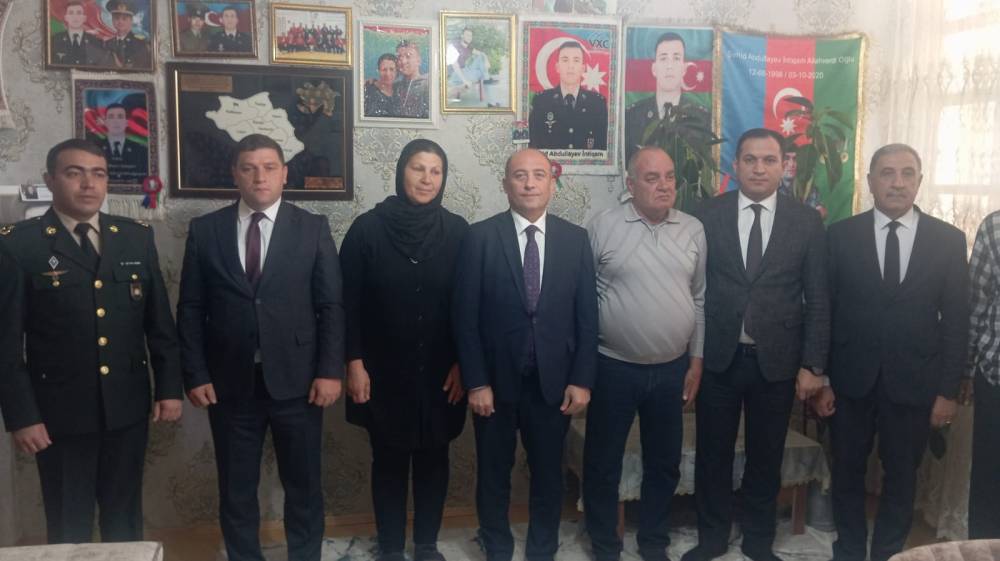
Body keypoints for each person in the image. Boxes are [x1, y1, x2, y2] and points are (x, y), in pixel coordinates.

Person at [0, 138, 182, 543]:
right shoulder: (18, 244)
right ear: (50, 179)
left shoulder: (135, 237)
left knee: (125, 520)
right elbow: (6, 344)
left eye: (98, 174)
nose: (88, 184)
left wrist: (170, 388)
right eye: (74, 173)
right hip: (59, 415)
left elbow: (159, 325)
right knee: (69, 524)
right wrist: (22, 415)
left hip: (127, 409)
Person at [176, 134, 345, 561]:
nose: (259, 177)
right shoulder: (206, 231)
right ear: (235, 174)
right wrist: (195, 373)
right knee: (236, 489)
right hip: (230, 384)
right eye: (249, 168)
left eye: (269, 167)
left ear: (285, 174)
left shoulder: (312, 228)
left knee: (304, 486)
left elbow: (330, 305)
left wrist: (330, 371)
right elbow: (191, 308)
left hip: (299, 382)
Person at [811, 144, 969, 561]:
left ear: (919, 180)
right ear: (870, 181)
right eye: (887, 173)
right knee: (847, 471)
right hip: (849, 381)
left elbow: (957, 321)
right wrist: (822, 378)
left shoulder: (948, 240)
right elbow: (824, 311)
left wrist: (947, 392)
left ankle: (888, 554)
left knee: (902, 477)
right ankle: (848, 550)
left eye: (907, 173)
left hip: (915, 382)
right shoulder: (840, 236)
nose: (897, 183)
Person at [682, 128, 829, 561]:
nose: (759, 168)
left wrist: (813, 365)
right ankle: (712, 538)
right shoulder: (706, 214)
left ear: (784, 165)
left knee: (766, 457)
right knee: (713, 454)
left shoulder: (806, 221)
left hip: (778, 361)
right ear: (736, 165)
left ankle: (758, 541)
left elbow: (819, 297)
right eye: (750, 160)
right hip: (720, 357)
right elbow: (691, 287)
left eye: (769, 160)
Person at [452, 148, 599, 561]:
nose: (530, 183)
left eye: (539, 175)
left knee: (549, 475)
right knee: (493, 474)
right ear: (505, 185)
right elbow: (464, 318)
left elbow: (587, 317)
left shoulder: (575, 239)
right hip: (494, 385)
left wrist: (582, 379)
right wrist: (476, 382)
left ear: (553, 184)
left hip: (553, 384)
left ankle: (542, 550)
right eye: (520, 175)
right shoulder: (480, 237)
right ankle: (497, 547)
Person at [342, 139, 468, 561]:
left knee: (435, 457)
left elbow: (469, 306)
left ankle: (427, 544)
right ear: (401, 172)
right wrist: (354, 363)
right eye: (418, 168)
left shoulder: (458, 232)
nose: (427, 179)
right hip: (382, 371)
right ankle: (392, 547)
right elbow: (347, 305)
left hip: (442, 373)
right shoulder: (366, 230)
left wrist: (463, 364)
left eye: (436, 171)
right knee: (389, 460)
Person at [583, 146, 707, 561]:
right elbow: (582, 301)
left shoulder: (692, 229)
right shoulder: (603, 226)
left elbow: (700, 298)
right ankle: (605, 545)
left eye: (669, 176)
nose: (664, 185)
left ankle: (654, 542)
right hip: (613, 367)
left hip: (672, 369)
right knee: (603, 463)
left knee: (664, 463)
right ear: (630, 184)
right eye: (652, 178)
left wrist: (696, 360)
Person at [623, 32, 710, 163]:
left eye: (676, 58)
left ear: (684, 68)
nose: (669, 66)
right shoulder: (632, 116)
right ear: (654, 68)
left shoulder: (702, 118)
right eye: (663, 58)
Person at [968, 209, 1000, 539]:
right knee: (989, 483)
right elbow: (975, 303)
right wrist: (964, 371)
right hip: (996, 379)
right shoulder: (995, 226)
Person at [529, 41, 608, 151]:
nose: (571, 66)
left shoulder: (597, 103)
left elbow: (603, 146)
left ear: (583, 68)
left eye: (576, 60)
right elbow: (533, 145)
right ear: (557, 67)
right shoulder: (541, 101)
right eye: (565, 60)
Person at [94, 103, 148, 184]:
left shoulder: (142, 150)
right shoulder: (94, 149)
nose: (116, 121)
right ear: (105, 122)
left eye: (120, 117)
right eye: (111, 117)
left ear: (126, 122)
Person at [50, 0, 107, 67]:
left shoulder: (96, 42)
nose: (75, 17)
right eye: (71, 13)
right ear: (66, 18)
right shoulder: (55, 40)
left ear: (84, 18)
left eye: (79, 13)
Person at [102, 0, 151, 69]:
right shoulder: (106, 44)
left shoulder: (140, 45)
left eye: (124, 18)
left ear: (131, 20)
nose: (120, 21)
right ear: (112, 20)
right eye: (117, 18)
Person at [447, 27, 492, 100]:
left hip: (465, 70)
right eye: (467, 35)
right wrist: (465, 81)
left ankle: (485, 76)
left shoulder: (469, 48)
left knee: (480, 57)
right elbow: (455, 66)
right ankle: (485, 77)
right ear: (462, 36)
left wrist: (486, 60)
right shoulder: (456, 46)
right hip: (456, 74)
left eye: (471, 36)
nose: (469, 37)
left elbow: (482, 54)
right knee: (480, 72)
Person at [395, 40, 430, 119]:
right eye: (399, 57)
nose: (403, 61)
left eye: (408, 56)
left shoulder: (428, 85)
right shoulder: (395, 87)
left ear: (419, 61)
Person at [364, 53, 401, 118]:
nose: (388, 74)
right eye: (384, 70)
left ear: (397, 71)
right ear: (378, 71)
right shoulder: (367, 90)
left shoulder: (399, 91)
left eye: (392, 69)